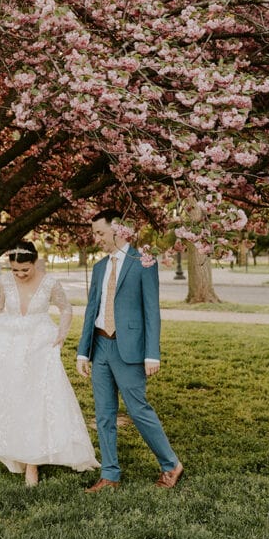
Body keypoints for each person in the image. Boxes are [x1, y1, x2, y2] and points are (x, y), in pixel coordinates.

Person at [0, 240, 99, 486]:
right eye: (15, 270)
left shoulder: (50, 283)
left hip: (40, 345)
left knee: (37, 400)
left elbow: (66, 309)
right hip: (10, 346)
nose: (19, 274)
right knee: (15, 398)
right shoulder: (3, 282)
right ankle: (17, 448)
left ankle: (32, 464)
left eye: (24, 269)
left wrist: (61, 334)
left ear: (35, 262)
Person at [76, 208, 184, 492]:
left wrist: (152, 353)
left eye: (100, 233)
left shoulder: (143, 262)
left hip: (130, 348)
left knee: (138, 409)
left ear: (118, 230)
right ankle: (109, 475)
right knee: (103, 414)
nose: (97, 239)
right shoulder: (99, 267)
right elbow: (91, 310)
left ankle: (171, 464)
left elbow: (152, 310)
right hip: (100, 346)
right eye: (94, 234)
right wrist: (83, 352)